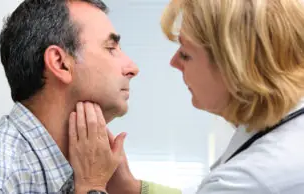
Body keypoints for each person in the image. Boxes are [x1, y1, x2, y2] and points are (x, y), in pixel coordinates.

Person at [70, 0, 304, 193]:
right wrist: (133, 189)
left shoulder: (248, 181)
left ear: (234, 66)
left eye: (185, 54)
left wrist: (92, 186)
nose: (173, 62)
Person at [0, 0, 139, 193]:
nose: (133, 68)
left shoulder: (87, 166)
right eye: (111, 48)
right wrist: (92, 187)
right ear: (60, 63)